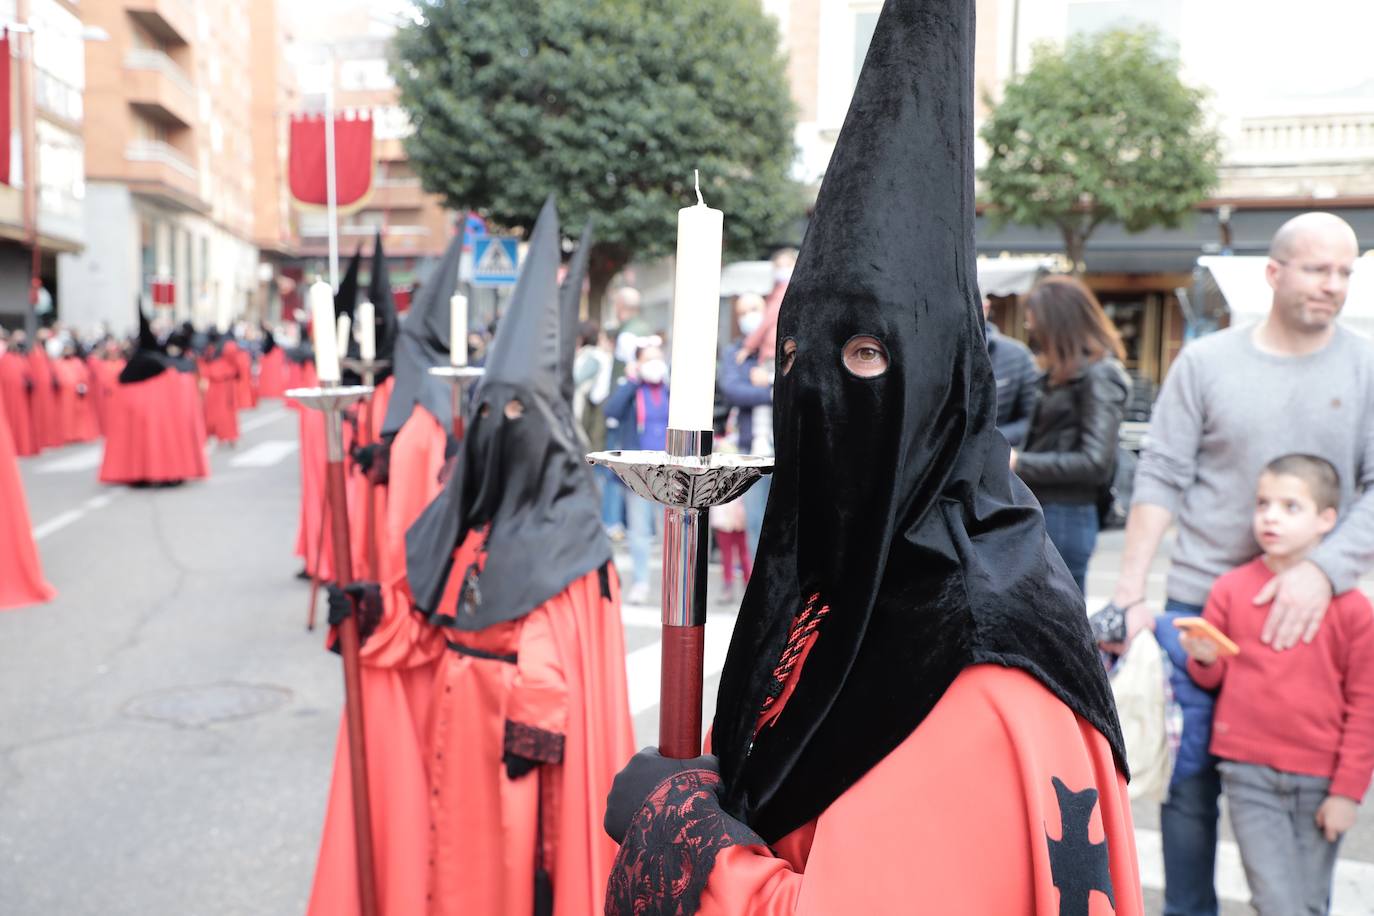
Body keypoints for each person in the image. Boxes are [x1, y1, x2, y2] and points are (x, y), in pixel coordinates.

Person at [602, 2, 1142, 913]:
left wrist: (680, 833)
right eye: (796, 355)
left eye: (865, 356)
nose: (817, 392)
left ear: (944, 377)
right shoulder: (861, 569)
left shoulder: (972, 645)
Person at [1104, 210, 1374, 916]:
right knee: (1187, 795)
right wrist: (1133, 593)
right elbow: (1160, 473)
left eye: (1347, 271)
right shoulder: (1206, 362)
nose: (1335, 285)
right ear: (1274, 273)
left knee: (1299, 793)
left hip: (1308, 614)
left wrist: (1323, 570)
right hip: (1200, 607)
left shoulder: (1365, 363)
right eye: (1319, 269)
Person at [405, 197, 634, 916]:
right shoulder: (469, 511)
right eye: (489, 414)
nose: (501, 432)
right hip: (457, 733)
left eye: (518, 416)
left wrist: (531, 701)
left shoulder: (576, 537)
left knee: (517, 878)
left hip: (521, 756)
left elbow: (559, 656)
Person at [1180, 454, 1374, 916]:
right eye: (1264, 503)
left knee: (1308, 903)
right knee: (1276, 902)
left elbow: (1366, 704)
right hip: (1248, 772)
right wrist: (1203, 660)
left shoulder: (1353, 608)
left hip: (1321, 779)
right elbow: (1213, 675)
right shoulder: (1229, 588)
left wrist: (1347, 793)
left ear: (1327, 519)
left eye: (1291, 507)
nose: (1270, 516)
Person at [1011, 276, 1129, 595]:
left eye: (1035, 324)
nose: (1029, 328)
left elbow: (1094, 463)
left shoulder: (1099, 375)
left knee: (1057, 619)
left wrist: (1021, 462)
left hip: (1067, 513)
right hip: (1049, 509)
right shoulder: (1061, 373)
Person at [604, 339, 670, 604]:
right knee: (639, 529)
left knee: (669, 530)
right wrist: (631, 380)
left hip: (669, 469)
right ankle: (641, 581)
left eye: (658, 357)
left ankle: (671, 583)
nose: (654, 364)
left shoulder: (670, 388)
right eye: (648, 359)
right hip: (639, 471)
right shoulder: (631, 389)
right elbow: (611, 411)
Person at [718, 293, 774, 556]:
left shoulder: (783, 346)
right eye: (742, 312)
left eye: (754, 309)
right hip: (751, 451)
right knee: (754, 523)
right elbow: (733, 391)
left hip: (784, 447)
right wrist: (772, 391)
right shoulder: (736, 352)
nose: (748, 317)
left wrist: (770, 383)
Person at [984, 296, 1039, 448]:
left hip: (997, 459)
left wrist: (984, 440)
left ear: (986, 307)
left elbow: (1032, 421)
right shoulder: (938, 354)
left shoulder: (1017, 355)